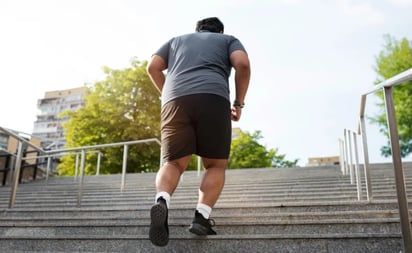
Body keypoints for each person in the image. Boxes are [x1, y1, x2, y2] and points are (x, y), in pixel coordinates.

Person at [146, 17, 251, 247]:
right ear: (220, 31)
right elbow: (242, 64)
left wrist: (168, 94)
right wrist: (239, 103)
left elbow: (152, 67)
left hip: (175, 101)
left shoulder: (176, 41)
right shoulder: (228, 40)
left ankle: (162, 201)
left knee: (172, 163)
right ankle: (201, 217)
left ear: (197, 30)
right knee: (215, 164)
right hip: (213, 98)